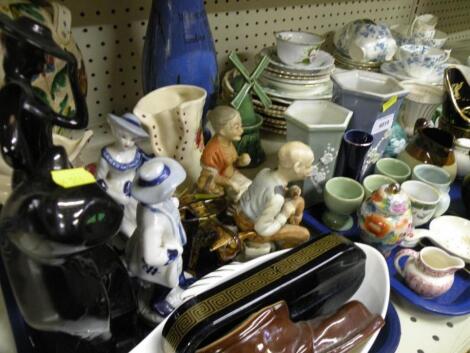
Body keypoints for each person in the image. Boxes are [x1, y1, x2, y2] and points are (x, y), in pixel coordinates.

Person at [126, 157, 192, 324]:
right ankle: (157, 301)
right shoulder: (153, 222)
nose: (174, 189)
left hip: (171, 241)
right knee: (166, 281)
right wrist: (170, 254)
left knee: (177, 271)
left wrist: (172, 205)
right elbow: (151, 255)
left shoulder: (156, 204)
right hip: (162, 258)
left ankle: (180, 279)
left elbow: (168, 209)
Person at [235, 141, 314, 258]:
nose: (311, 169)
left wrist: (288, 191)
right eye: (308, 166)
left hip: (240, 211)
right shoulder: (277, 198)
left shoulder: (265, 171)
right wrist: (285, 214)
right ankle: (279, 250)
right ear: (297, 167)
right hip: (253, 227)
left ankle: (288, 227)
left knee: (299, 201)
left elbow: (266, 191)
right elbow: (262, 229)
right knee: (305, 234)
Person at [96, 113, 149, 237]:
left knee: (142, 212)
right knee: (125, 215)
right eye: (124, 136)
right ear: (115, 131)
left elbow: (142, 170)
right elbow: (99, 181)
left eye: (133, 139)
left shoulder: (137, 152)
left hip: (134, 188)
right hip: (116, 191)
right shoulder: (107, 154)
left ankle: (143, 232)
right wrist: (114, 194)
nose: (128, 143)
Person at [197, 105, 251, 202]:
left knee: (251, 187)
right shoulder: (211, 152)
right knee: (243, 197)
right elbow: (210, 176)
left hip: (232, 176)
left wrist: (241, 161)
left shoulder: (228, 142)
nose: (241, 130)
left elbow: (232, 163)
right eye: (236, 127)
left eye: (241, 126)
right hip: (220, 185)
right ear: (222, 131)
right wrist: (230, 183)